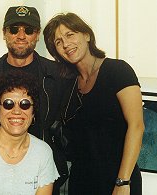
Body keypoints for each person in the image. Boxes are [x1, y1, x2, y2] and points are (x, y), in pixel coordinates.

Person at [0, 6, 68, 193]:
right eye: (14, 29)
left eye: (28, 30)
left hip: (44, 173)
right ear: (4, 33)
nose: (21, 35)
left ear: (37, 35)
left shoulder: (57, 75)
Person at [43, 12, 145, 195]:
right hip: (81, 182)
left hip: (119, 180)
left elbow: (136, 126)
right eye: (58, 42)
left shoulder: (117, 70)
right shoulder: (69, 84)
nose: (66, 44)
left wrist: (123, 182)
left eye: (70, 34)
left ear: (87, 35)